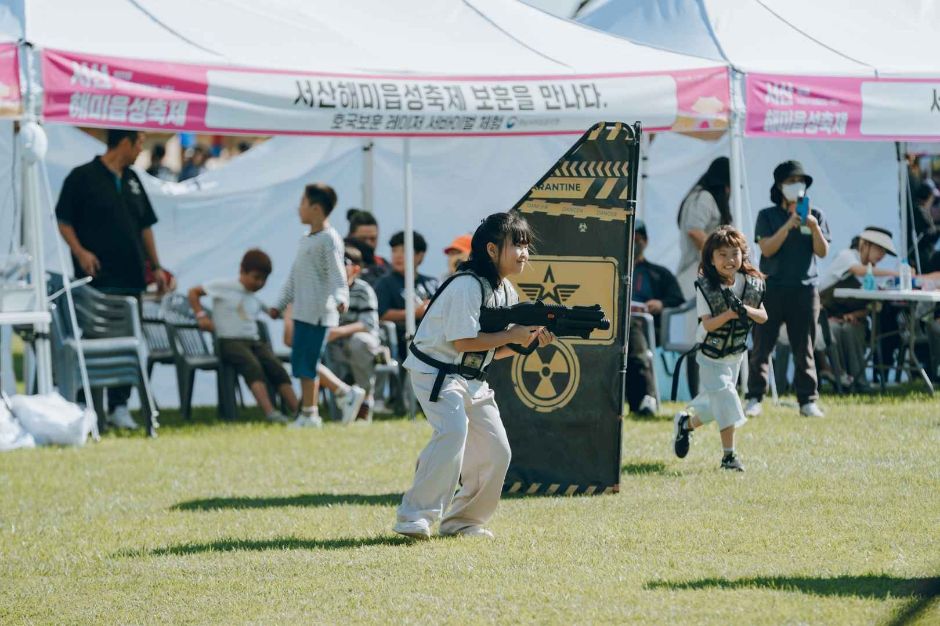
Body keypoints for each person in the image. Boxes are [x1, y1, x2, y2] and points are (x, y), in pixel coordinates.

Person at [393, 212, 555, 540]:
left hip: (471, 376)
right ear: (493, 250)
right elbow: (463, 341)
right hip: (435, 370)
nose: (525, 253)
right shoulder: (467, 285)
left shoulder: (505, 290)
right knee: (453, 432)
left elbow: (494, 349)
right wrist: (513, 336)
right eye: (518, 245)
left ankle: (462, 522)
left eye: (527, 246)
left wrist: (529, 342)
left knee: (498, 451)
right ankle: (413, 516)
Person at [55, 129, 169, 430]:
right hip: (97, 282)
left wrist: (156, 266)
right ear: (124, 143)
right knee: (96, 343)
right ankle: (86, 406)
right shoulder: (82, 177)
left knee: (132, 342)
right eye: (139, 144)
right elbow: (63, 220)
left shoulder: (133, 180)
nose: (140, 151)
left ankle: (119, 407)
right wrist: (80, 253)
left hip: (132, 279)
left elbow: (146, 227)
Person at [672, 226, 767, 472]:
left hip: (735, 354)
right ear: (711, 259)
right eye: (722, 255)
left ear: (742, 255)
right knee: (726, 396)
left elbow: (763, 316)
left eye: (734, 254)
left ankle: (686, 425)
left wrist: (746, 311)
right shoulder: (706, 287)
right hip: (710, 355)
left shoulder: (750, 283)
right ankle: (729, 457)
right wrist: (730, 314)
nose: (728, 260)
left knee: (717, 407)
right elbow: (709, 323)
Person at [271, 183, 366, 427]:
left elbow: (337, 275)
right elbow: (293, 277)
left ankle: (317, 410)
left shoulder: (329, 240)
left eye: (302, 203)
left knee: (308, 363)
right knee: (303, 363)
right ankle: (315, 409)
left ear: (315, 208)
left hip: (318, 314)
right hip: (302, 312)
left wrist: (341, 299)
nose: (298, 208)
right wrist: (279, 305)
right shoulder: (306, 240)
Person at [746, 160, 830, 418]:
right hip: (772, 287)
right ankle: (755, 397)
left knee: (804, 346)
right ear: (780, 186)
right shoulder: (767, 216)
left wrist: (813, 226)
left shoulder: (816, 215)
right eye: (791, 182)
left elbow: (822, 252)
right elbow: (767, 248)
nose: (797, 186)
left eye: (800, 182)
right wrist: (789, 224)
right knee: (762, 346)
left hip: (805, 289)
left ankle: (807, 400)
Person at [188, 249, 299, 423]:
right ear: (242, 271)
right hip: (229, 342)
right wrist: (201, 316)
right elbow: (193, 292)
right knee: (252, 366)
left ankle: (299, 411)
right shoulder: (223, 286)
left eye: (263, 280)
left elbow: (271, 313)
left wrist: (287, 312)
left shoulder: (253, 297)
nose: (259, 283)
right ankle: (270, 413)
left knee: (276, 367)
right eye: (256, 277)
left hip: (254, 342)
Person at [675, 157, 732, 395]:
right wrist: (719, 255)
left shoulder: (701, 196)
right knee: (699, 338)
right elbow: (694, 231)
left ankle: (712, 393)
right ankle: (699, 395)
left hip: (704, 275)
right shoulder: (704, 197)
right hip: (694, 276)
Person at [819, 227, 898, 392]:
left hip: (851, 320)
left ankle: (858, 382)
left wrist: (854, 314)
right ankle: (840, 379)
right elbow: (858, 271)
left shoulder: (871, 274)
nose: (881, 255)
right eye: (879, 249)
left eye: (884, 252)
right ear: (865, 245)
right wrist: (896, 273)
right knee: (834, 330)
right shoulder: (847, 257)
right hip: (825, 317)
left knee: (851, 329)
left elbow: (871, 306)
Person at [628, 220, 684, 416]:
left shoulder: (658, 273)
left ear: (646, 241)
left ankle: (646, 398)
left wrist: (660, 304)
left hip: (650, 329)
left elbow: (677, 298)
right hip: (614, 327)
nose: (635, 242)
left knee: (633, 326)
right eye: (631, 238)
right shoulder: (610, 270)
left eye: (638, 238)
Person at [325, 246, 387, 422]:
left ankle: (365, 401)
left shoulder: (364, 290)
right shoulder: (327, 290)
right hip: (334, 344)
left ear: (356, 269)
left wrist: (339, 332)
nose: (337, 267)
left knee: (358, 342)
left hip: (361, 341)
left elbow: (368, 324)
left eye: (343, 263)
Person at [374, 230, 439, 362]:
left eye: (404, 251)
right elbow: (381, 313)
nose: (398, 256)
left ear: (420, 255)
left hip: (434, 342)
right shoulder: (385, 283)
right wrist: (415, 313)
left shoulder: (432, 283)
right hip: (400, 344)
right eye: (394, 251)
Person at [347, 209, 389, 285]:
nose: (368, 243)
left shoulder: (383, 265)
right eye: (363, 239)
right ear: (351, 236)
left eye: (372, 239)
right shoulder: (342, 265)